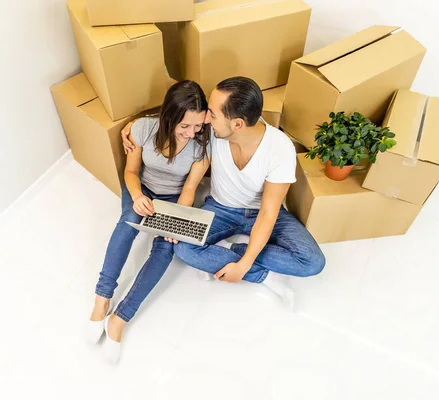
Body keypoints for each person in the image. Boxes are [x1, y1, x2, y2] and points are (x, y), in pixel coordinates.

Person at [122, 77, 325, 305]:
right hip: (221, 208)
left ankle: (231, 249)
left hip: (263, 212)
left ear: (237, 124)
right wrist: (132, 127)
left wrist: (245, 262)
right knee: (184, 249)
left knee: (312, 262)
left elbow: (269, 213)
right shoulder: (211, 131)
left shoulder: (279, 148)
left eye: (212, 113)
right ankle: (264, 275)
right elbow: (174, 116)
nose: (205, 118)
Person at [87, 80, 211, 364]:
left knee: (166, 247)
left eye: (197, 126)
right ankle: (102, 297)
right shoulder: (143, 129)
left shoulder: (201, 145)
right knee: (128, 221)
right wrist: (138, 196)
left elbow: (190, 189)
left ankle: (120, 318)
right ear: (169, 118)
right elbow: (131, 171)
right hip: (142, 189)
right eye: (184, 127)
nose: (192, 133)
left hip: (174, 198)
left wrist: (176, 221)